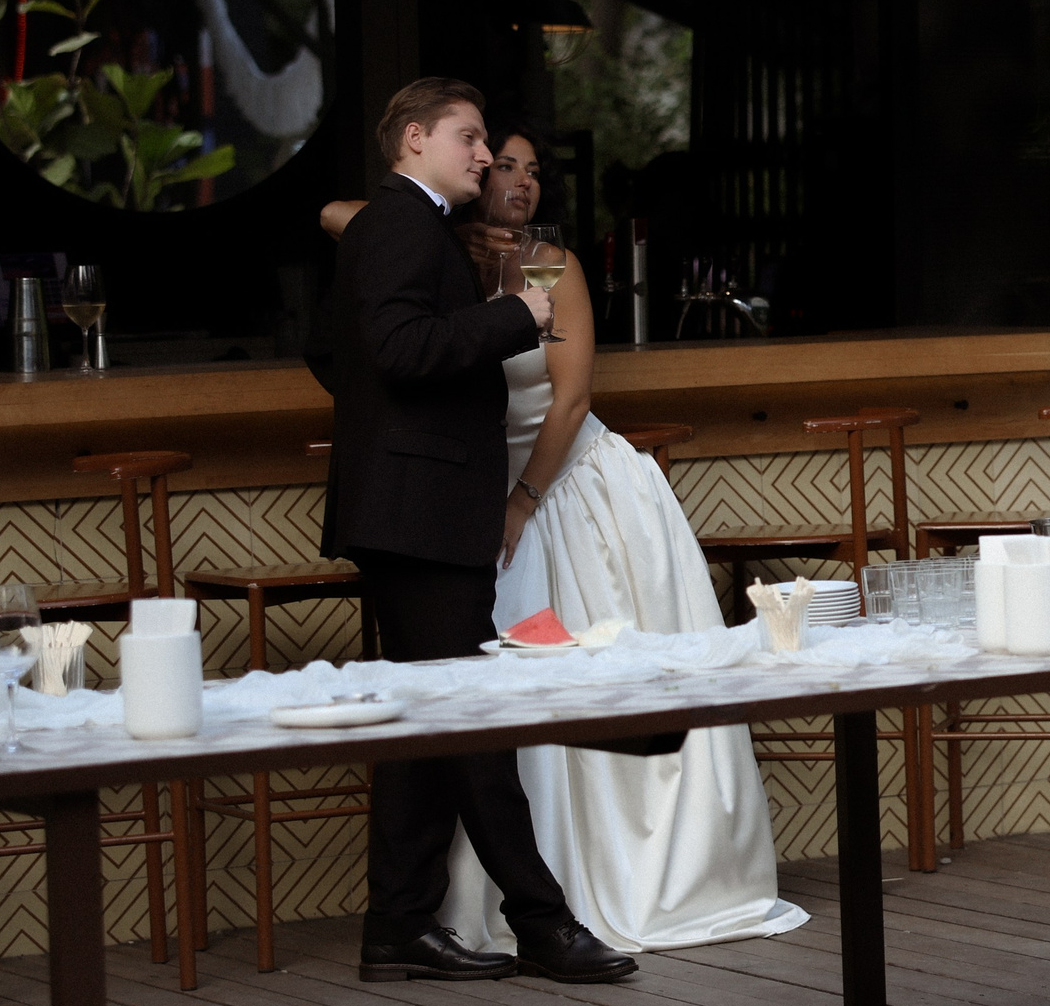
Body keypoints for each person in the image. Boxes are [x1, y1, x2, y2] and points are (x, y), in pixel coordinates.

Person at [321, 128, 806, 953]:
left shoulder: (549, 263)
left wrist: (523, 499)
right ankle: (495, 909)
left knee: (561, 679)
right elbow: (342, 215)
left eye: (532, 171)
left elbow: (570, 399)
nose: (517, 180)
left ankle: (605, 884)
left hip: (566, 486)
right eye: (497, 161)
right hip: (463, 498)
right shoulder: (438, 248)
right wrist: (447, 222)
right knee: (473, 693)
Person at [312, 77, 637, 986]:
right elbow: (402, 352)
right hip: (417, 514)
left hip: (418, 506)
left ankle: (397, 925)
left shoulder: (402, 230)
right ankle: (540, 921)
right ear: (413, 140)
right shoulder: (397, 226)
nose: (486, 155)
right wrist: (513, 318)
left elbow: (338, 355)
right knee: (474, 720)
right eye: (470, 137)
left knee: (429, 721)